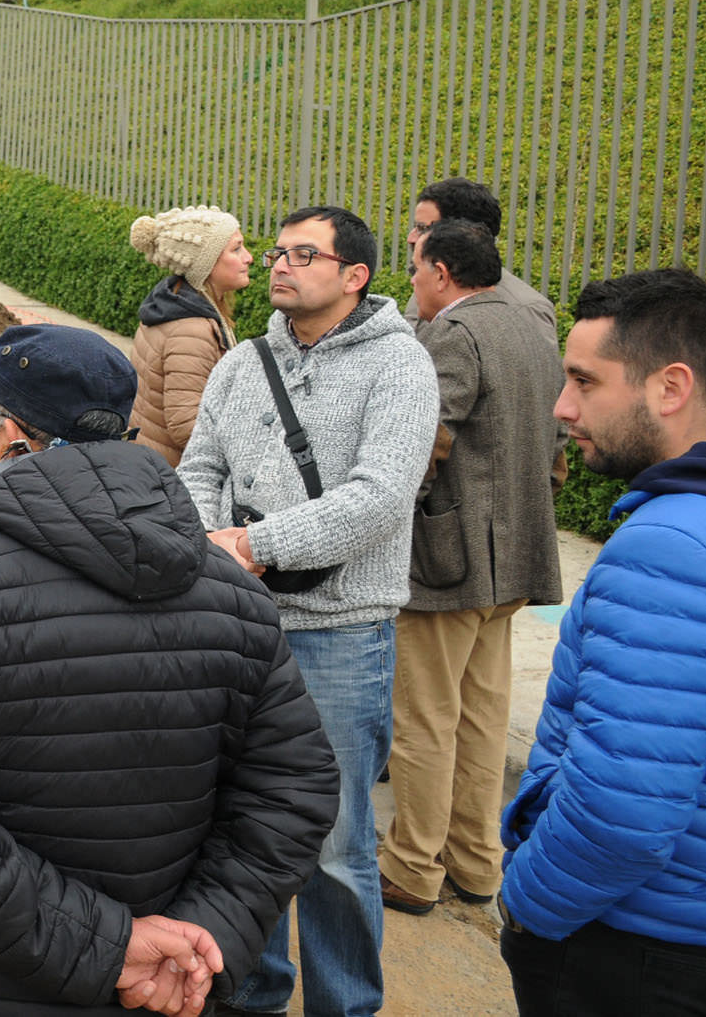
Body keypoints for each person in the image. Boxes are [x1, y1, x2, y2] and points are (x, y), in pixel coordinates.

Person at [0, 323, 340, 1017]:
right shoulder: (232, 591)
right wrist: (204, 935)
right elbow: (292, 793)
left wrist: (115, 947)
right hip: (160, 992)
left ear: (13, 437)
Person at [176, 205, 439, 1017]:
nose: (279, 265)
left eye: (302, 254)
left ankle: (343, 1001)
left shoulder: (400, 366)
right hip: (236, 627)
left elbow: (380, 497)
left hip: (339, 636)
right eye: (277, 251)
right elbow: (199, 463)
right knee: (237, 828)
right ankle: (252, 990)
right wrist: (204, 541)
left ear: (353, 275)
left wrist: (253, 545)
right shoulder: (242, 360)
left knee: (334, 845)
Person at [499, 267, 706, 1015]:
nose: (562, 407)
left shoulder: (665, 548)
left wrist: (528, 906)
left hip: (630, 948)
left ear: (669, 387)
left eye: (584, 381)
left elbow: (621, 815)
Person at [376, 220, 564, 917]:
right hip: (513, 561)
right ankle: (476, 861)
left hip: (449, 561)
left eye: (418, 269)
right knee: (481, 717)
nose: (413, 282)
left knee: (423, 718)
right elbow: (554, 440)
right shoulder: (529, 325)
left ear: (444, 272)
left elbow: (427, 436)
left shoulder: (454, 335)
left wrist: (396, 510)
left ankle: (411, 866)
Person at [128, 206, 253, 465]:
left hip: (150, 462)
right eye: (236, 249)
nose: (248, 257)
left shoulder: (172, 304)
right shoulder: (190, 330)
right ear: (205, 263)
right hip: (173, 476)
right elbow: (187, 426)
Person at [403, 177, 555, 332]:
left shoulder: (525, 310)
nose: (411, 238)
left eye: (422, 228)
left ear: (465, 233)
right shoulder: (426, 288)